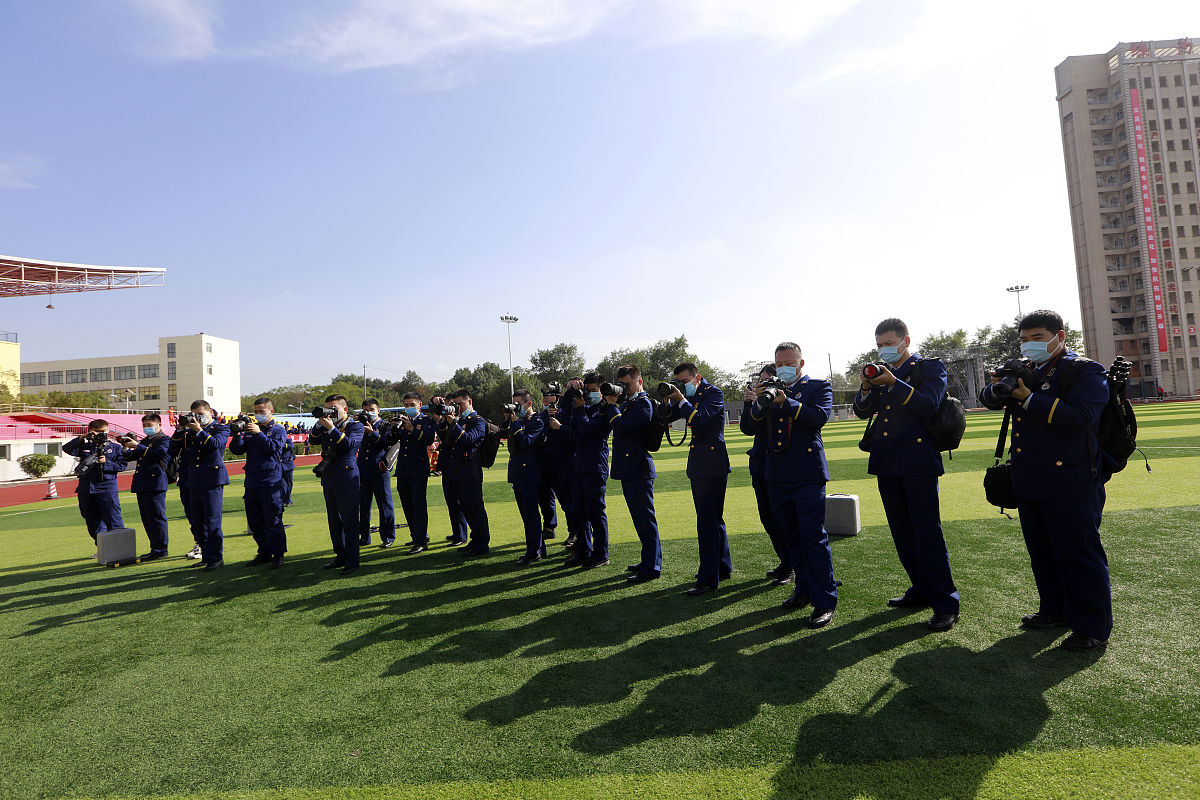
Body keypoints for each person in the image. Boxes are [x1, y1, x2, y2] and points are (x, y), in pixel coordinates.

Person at [979, 309, 1112, 652]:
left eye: (1037, 338)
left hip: (1072, 477)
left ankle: (1092, 627)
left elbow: (1081, 417)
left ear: (1060, 336)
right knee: (1042, 552)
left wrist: (1029, 398)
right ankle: (1054, 610)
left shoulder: (1084, 370)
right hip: (1030, 476)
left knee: (1078, 554)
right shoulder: (1027, 371)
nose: (1030, 344)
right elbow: (990, 400)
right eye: (1024, 339)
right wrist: (1000, 385)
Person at [854, 318, 960, 632]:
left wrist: (892, 382)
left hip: (918, 461)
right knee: (903, 535)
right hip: (886, 461)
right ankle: (921, 589)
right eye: (879, 345)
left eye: (889, 343)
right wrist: (865, 386)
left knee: (927, 534)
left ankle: (945, 603)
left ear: (905, 341)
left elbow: (929, 405)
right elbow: (863, 411)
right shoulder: (879, 373)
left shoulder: (928, 368)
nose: (884, 350)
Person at [743, 343, 837, 628]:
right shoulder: (768, 389)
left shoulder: (818, 386)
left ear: (801, 363)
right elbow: (750, 427)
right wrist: (754, 402)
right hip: (777, 474)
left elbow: (819, 417)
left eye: (789, 361)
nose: (784, 365)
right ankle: (803, 590)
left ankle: (824, 601)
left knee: (813, 537)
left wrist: (788, 402)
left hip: (807, 473)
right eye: (779, 361)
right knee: (792, 537)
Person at [664, 362, 731, 596]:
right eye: (679, 382)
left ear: (697, 377)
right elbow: (667, 417)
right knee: (713, 519)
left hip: (711, 464)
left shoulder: (713, 393)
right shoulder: (687, 396)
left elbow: (700, 419)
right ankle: (722, 567)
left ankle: (707, 578)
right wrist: (667, 399)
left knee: (707, 522)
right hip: (701, 464)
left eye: (685, 381)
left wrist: (681, 399)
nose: (682, 386)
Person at [739, 363, 791, 586]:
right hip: (760, 463)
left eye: (766, 380)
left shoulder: (784, 398)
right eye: (760, 381)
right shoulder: (758, 401)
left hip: (780, 463)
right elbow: (747, 428)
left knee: (783, 519)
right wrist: (750, 403)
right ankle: (785, 560)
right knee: (767, 518)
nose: (761, 385)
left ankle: (792, 565)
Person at [610, 365, 661, 583]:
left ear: (639, 381)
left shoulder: (644, 404)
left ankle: (652, 567)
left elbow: (622, 428)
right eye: (622, 383)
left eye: (628, 384)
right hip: (630, 469)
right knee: (640, 520)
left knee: (645, 520)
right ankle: (648, 560)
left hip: (638, 469)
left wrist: (612, 406)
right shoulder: (629, 403)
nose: (625, 388)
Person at [564, 373, 619, 569]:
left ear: (603, 392)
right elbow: (566, 418)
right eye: (589, 390)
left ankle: (601, 554)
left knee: (595, 512)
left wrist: (579, 411)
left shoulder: (604, 411)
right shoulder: (585, 408)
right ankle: (583, 551)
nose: (591, 394)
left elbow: (587, 429)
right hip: (579, 466)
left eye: (595, 390)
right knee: (578, 512)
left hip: (595, 466)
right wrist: (571, 391)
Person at [308, 394, 365, 575]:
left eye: (334, 409)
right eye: (328, 408)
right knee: (334, 522)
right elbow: (313, 440)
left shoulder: (355, 426)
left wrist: (332, 428)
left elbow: (349, 445)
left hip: (347, 478)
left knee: (349, 522)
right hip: (329, 478)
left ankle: (352, 560)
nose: (330, 413)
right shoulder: (324, 427)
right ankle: (340, 555)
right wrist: (320, 422)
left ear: (345, 410)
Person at [229, 397, 288, 569]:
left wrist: (259, 433)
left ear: (271, 411)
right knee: (255, 521)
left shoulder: (278, 429)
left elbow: (273, 448)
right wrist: (236, 433)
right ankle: (264, 552)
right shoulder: (250, 429)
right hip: (252, 481)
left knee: (273, 519)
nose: (258, 415)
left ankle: (278, 554)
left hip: (271, 481)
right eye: (255, 412)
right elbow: (237, 450)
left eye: (261, 411)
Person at [436, 389, 491, 556]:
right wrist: (445, 420)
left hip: (470, 470)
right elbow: (444, 438)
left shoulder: (478, 421)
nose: (458, 407)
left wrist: (454, 423)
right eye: (455, 404)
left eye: (460, 403)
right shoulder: (458, 420)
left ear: (470, 401)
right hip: (456, 471)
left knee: (475, 508)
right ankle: (475, 540)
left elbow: (468, 440)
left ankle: (482, 543)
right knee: (465, 508)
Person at [177, 401, 230, 571]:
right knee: (197, 521)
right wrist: (180, 430)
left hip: (212, 479)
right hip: (194, 480)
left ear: (210, 413)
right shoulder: (190, 432)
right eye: (194, 414)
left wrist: (199, 430)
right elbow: (174, 449)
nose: (197, 417)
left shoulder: (221, 428)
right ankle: (206, 555)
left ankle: (216, 558)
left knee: (212, 521)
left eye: (201, 414)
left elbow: (215, 445)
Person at [63, 420, 127, 547]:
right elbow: (66, 448)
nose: (101, 435)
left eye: (103, 432)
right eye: (97, 432)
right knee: (92, 521)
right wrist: (82, 437)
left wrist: (106, 463)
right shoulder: (85, 446)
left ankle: (119, 549)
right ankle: (103, 548)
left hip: (107, 488)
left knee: (113, 519)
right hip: (87, 488)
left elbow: (122, 466)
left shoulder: (114, 448)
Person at [501, 389, 547, 565]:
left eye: (518, 404)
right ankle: (537, 549)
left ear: (528, 403)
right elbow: (501, 435)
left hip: (530, 474)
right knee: (526, 514)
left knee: (531, 514)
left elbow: (525, 441)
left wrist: (515, 423)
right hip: (518, 473)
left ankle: (534, 552)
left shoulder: (537, 422)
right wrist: (508, 419)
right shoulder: (517, 421)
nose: (515, 408)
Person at [388, 392, 438, 554]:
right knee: (407, 505)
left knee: (418, 505)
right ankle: (416, 534)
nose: (409, 408)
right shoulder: (403, 421)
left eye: (412, 405)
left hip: (418, 468)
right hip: (403, 469)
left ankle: (421, 541)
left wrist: (411, 429)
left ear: (419, 405)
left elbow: (429, 439)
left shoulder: (426, 421)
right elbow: (391, 440)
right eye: (406, 405)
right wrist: (393, 428)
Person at [122, 413, 170, 560]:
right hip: (142, 483)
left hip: (155, 483)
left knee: (156, 517)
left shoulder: (164, 439)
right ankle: (154, 547)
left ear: (159, 425)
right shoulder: (144, 440)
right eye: (144, 426)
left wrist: (138, 446)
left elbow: (158, 454)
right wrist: (125, 447)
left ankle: (161, 549)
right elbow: (131, 456)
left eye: (149, 425)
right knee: (147, 518)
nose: (146, 428)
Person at [540, 382, 581, 550]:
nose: (545, 398)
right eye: (543, 395)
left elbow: (572, 436)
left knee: (568, 500)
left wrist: (558, 425)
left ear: (558, 397)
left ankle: (575, 532)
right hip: (547, 463)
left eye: (549, 395)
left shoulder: (567, 412)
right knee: (549, 499)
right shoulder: (543, 415)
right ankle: (551, 527)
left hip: (565, 462)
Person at [356, 398, 395, 548]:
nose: (368, 413)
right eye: (365, 410)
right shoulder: (359, 425)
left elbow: (386, 444)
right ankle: (364, 537)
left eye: (371, 409)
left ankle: (388, 537)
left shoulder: (385, 425)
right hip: (363, 469)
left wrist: (372, 433)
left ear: (378, 410)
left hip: (380, 469)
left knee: (384, 505)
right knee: (363, 506)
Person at [280, 435, 295, 507]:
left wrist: (281, 445)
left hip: (288, 465)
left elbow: (291, 446)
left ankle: (287, 500)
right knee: (283, 484)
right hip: (280, 466)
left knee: (289, 484)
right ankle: (287, 500)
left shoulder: (287, 439)